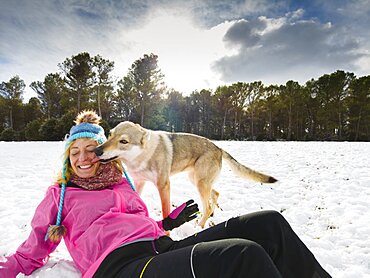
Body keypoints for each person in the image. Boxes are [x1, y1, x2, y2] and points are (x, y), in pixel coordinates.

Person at [0, 110, 331, 278]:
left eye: (91, 149)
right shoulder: (60, 197)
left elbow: (138, 227)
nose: (84, 157)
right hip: (120, 270)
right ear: (67, 157)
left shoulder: (122, 183)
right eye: (75, 152)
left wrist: (167, 222)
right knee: (243, 255)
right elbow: (32, 250)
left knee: (268, 224)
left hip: (159, 248)